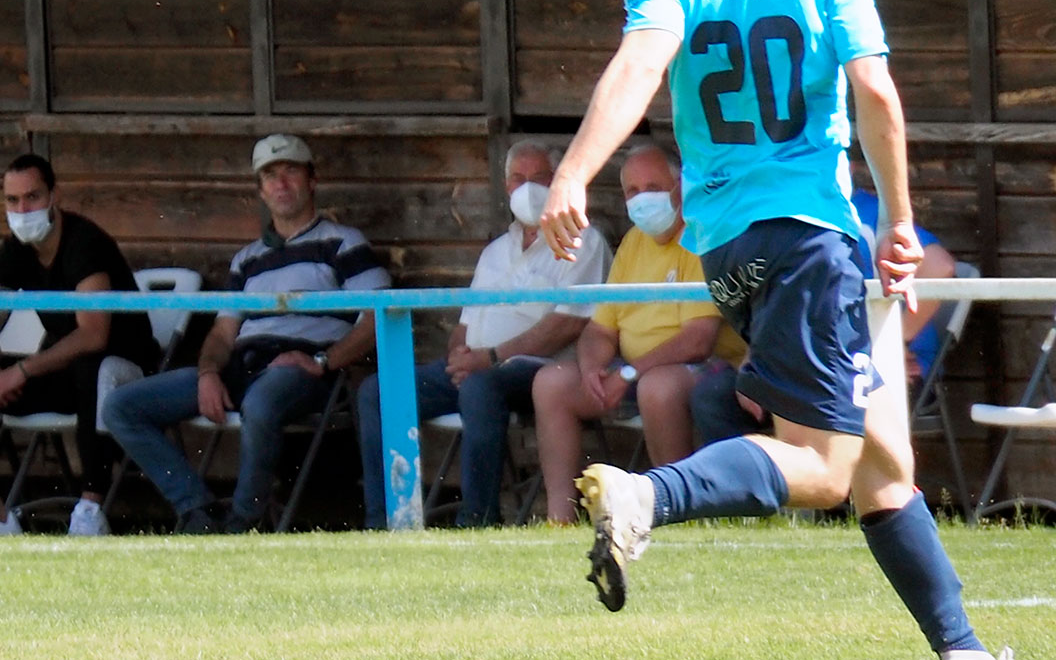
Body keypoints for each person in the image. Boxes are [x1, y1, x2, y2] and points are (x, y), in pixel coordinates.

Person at [539, 0, 1054, 660]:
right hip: (814, 242)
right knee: (820, 470)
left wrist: (575, 173)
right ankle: (650, 497)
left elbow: (642, 62)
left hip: (729, 252)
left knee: (879, 464)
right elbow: (879, 97)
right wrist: (899, 220)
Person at [102, 135, 391, 534]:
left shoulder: (343, 242)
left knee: (261, 403)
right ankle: (198, 511)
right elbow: (223, 334)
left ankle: (243, 520)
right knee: (121, 406)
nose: (281, 184)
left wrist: (322, 361)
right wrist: (207, 373)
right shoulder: (247, 259)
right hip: (242, 367)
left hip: (306, 371)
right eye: (270, 176)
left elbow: (382, 318)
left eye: (290, 171)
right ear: (260, 190)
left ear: (312, 180)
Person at [356, 139, 610, 529]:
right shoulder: (495, 251)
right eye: (518, 179)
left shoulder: (581, 240)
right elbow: (465, 324)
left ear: (560, 181)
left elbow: (566, 325)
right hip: (477, 366)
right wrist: (460, 356)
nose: (528, 188)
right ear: (506, 187)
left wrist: (488, 359)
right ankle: (384, 521)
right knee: (379, 390)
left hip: (538, 371)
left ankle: (477, 519)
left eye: (541, 178)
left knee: (480, 388)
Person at [0, 154, 160, 538]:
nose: (22, 210)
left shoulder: (85, 242)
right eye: (12, 201)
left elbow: (94, 334)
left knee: (93, 365)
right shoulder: (15, 250)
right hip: (63, 376)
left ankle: (92, 509)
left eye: (32, 197)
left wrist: (20, 372)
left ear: (55, 195)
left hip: (124, 375)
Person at [529, 144, 747, 524]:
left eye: (653, 186)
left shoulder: (701, 236)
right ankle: (559, 519)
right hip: (628, 371)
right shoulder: (633, 242)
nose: (643, 198)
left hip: (699, 368)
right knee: (551, 383)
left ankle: (676, 512)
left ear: (679, 187)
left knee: (657, 388)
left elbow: (698, 341)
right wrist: (594, 369)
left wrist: (629, 373)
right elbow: (600, 330)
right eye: (633, 191)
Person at [692, 186, 956, 445]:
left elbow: (939, 266)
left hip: (885, 370)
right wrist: (758, 362)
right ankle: (749, 487)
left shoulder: (864, 212)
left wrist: (891, 346)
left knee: (810, 409)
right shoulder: (789, 219)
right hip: (810, 363)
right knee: (715, 397)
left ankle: (829, 483)